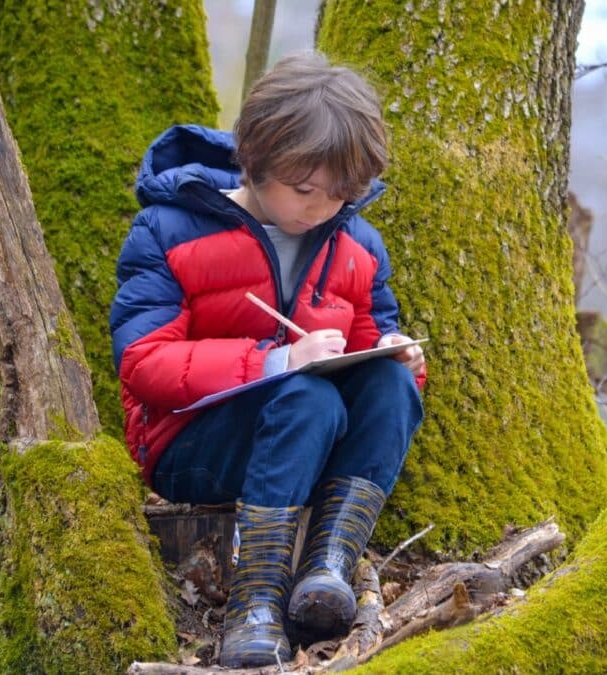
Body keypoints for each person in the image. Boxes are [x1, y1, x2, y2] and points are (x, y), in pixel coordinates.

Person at [109, 51, 426, 668]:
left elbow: (369, 334)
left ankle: (327, 568)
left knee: (390, 383)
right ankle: (254, 602)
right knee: (305, 394)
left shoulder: (356, 243)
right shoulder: (169, 229)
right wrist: (277, 361)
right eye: (305, 189)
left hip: (312, 437)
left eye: (339, 195)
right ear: (255, 159)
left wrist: (394, 352)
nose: (320, 208)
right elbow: (145, 361)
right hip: (191, 444)